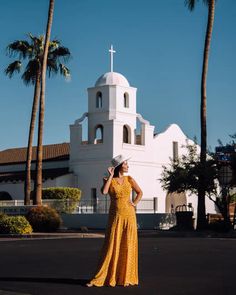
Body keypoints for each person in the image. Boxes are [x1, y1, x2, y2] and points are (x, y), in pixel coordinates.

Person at [87, 154, 143, 287]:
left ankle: (125, 277)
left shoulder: (130, 179)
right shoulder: (108, 180)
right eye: (125, 164)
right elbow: (104, 192)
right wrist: (111, 175)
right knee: (112, 244)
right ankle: (102, 277)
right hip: (116, 216)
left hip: (129, 216)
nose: (128, 166)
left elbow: (140, 192)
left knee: (127, 244)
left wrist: (134, 203)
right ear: (119, 166)